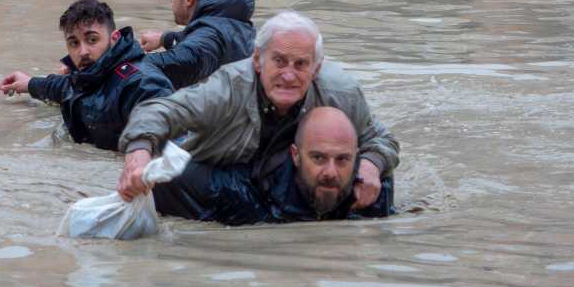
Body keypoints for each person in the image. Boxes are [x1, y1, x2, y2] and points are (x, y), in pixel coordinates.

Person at [116, 10, 398, 209]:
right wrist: (137, 155)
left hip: (289, 177)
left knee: (381, 185)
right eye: (279, 61)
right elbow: (157, 111)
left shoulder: (341, 93)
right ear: (258, 60)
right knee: (166, 179)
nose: (289, 75)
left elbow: (381, 140)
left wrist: (372, 166)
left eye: (301, 64)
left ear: (317, 68)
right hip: (227, 174)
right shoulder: (226, 88)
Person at [152, 106, 394, 225]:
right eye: (318, 158)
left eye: (342, 160)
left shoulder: (371, 192)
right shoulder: (241, 193)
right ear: (296, 155)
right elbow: (165, 170)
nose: (331, 172)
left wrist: (374, 165)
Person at [0, 0, 173, 151]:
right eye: (74, 43)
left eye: (92, 40)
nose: (82, 51)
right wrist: (29, 84)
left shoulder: (140, 82)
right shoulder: (86, 76)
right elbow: (64, 87)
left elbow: (163, 121)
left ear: (114, 38)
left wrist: (140, 152)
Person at [138, 0, 255, 89]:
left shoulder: (210, 37)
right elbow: (200, 41)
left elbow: (188, 58)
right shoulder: (232, 21)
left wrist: (123, 62)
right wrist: (164, 39)